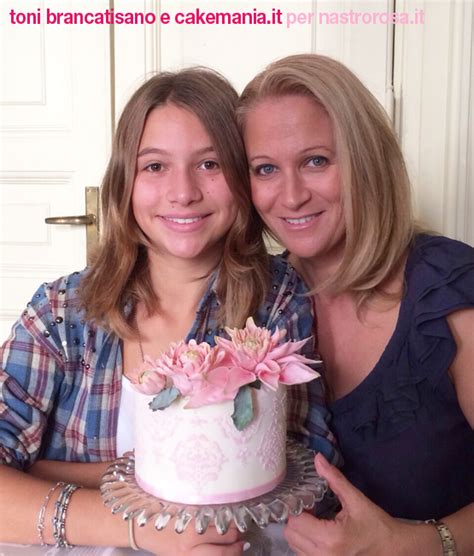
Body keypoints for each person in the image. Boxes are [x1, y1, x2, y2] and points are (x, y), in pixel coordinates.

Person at [0, 67, 339, 554]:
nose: (183, 192)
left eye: (209, 164)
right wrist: (143, 523)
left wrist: (52, 474)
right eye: (154, 166)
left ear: (242, 178)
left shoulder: (279, 299)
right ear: (124, 182)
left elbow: (308, 476)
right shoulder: (61, 313)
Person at [239, 54, 474, 555]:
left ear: (365, 159)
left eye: (316, 161)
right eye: (265, 169)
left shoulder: (449, 292)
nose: (292, 195)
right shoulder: (260, 301)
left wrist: (418, 543)